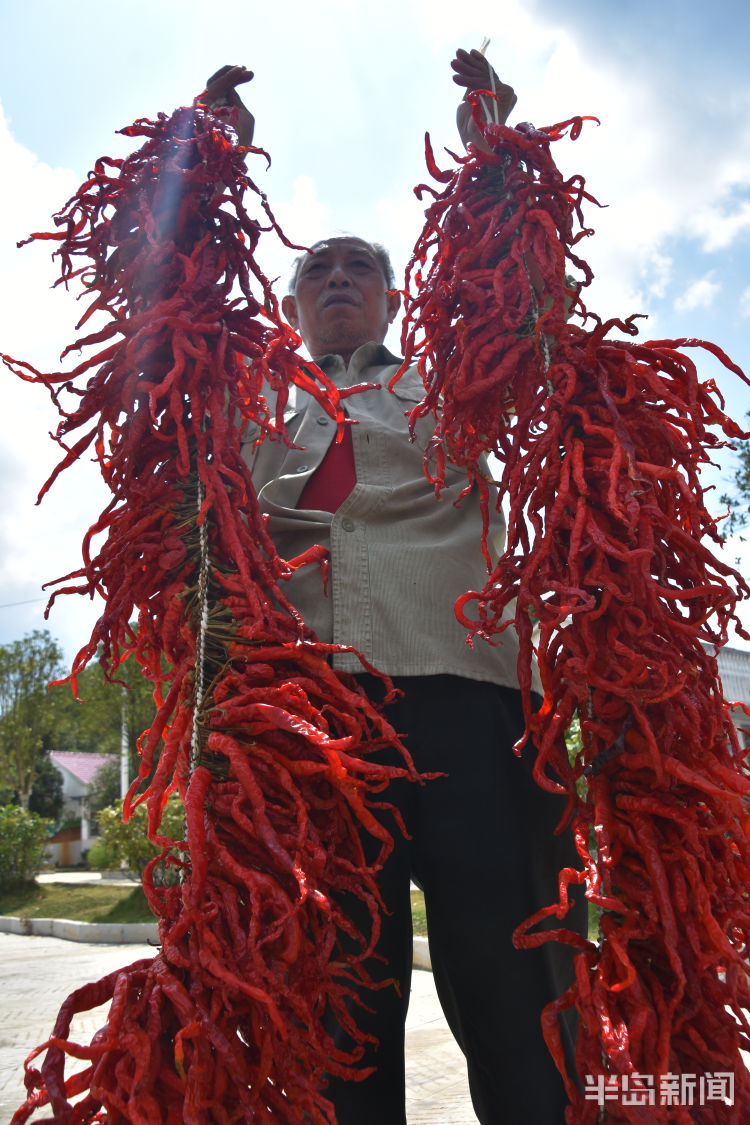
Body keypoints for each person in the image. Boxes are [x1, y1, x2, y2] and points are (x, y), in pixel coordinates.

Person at [211, 52, 586, 1124]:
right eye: (315, 271)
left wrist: (494, 156)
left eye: (355, 270)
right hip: (314, 720)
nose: (335, 281)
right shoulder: (248, 406)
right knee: (344, 990)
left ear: (386, 296)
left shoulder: (450, 386)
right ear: (291, 304)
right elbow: (160, 332)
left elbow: (534, 305)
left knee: (507, 973)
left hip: (465, 699)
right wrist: (208, 161)